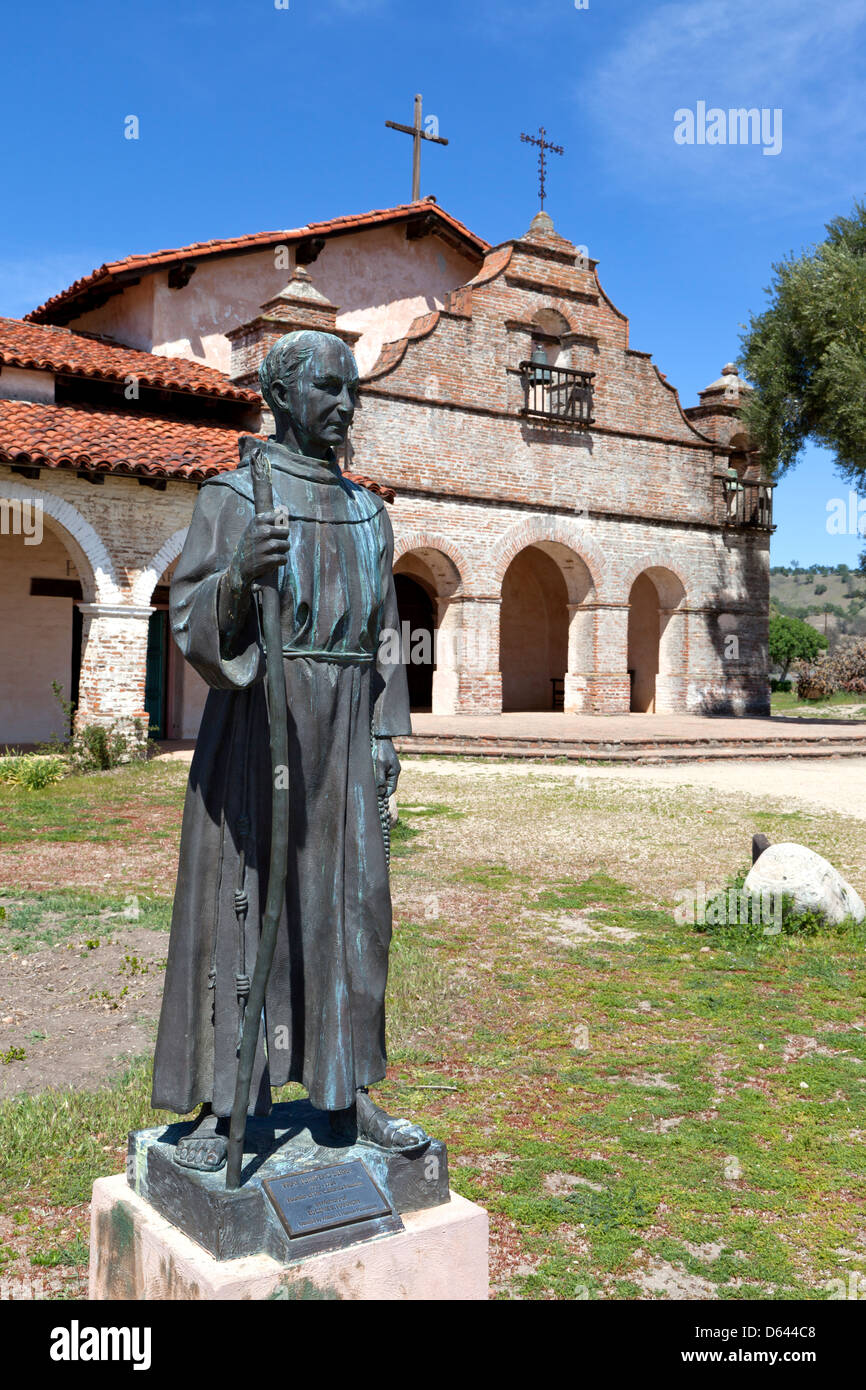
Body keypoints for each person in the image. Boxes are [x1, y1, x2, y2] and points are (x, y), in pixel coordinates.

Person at [151, 328, 429, 1170]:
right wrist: (239, 575)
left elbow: (386, 635)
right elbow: (192, 617)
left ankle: (347, 1092)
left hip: (345, 729)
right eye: (328, 390)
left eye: (353, 392)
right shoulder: (234, 498)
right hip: (260, 725)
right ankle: (227, 1102)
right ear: (279, 397)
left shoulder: (367, 510)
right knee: (244, 905)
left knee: (352, 911)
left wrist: (385, 733)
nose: (345, 406)